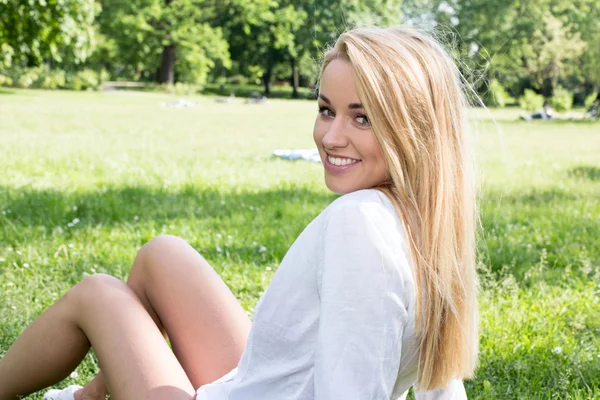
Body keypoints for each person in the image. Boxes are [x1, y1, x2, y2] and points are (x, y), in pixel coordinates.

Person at [0, 25, 478, 400]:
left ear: (415, 132)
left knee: (97, 293)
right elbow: (442, 381)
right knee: (162, 255)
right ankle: (90, 396)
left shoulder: (361, 223)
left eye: (363, 117)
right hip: (265, 387)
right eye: (326, 109)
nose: (331, 137)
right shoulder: (433, 225)